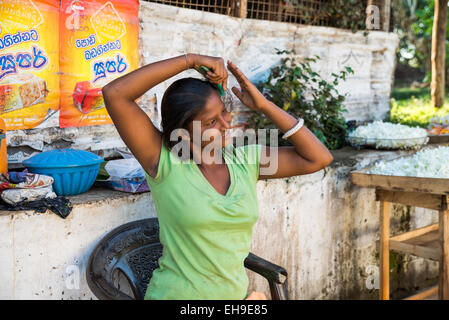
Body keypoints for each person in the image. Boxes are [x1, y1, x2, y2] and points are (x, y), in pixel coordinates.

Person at [101, 53, 334, 300]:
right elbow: (115, 94)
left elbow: (318, 158)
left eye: (224, 112)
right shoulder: (165, 163)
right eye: (212, 121)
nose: (226, 124)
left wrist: (264, 105)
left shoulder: (246, 161)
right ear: (184, 131)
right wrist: (190, 60)